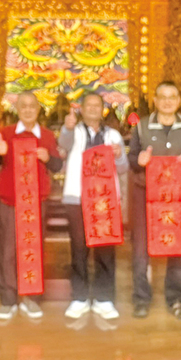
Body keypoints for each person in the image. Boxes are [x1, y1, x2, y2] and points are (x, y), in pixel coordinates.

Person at [0, 92, 63, 320]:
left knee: (33, 249)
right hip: (10, 200)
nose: (28, 110)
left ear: (38, 110)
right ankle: (8, 299)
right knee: (7, 250)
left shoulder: (47, 135)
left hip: (36, 202)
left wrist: (48, 158)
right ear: (17, 109)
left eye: (32, 106)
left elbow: (57, 166)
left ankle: (31, 297)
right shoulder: (6, 133)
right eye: (24, 106)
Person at [128, 81, 181, 321]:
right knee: (140, 248)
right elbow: (131, 158)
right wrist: (139, 160)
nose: (167, 101)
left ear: (179, 101)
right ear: (155, 101)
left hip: (174, 196)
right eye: (162, 97)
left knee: (176, 247)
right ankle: (141, 298)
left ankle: (176, 299)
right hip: (144, 194)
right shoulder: (141, 126)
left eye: (172, 97)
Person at [58, 93, 128, 320]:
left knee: (105, 249)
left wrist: (119, 155)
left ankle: (104, 298)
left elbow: (123, 167)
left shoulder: (113, 135)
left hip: (105, 200)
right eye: (88, 105)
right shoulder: (74, 131)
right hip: (77, 197)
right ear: (81, 109)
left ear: (103, 109)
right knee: (79, 249)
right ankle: (79, 297)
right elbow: (63, 146)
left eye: (97, 105)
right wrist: (67, 128)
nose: (93, 109)